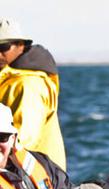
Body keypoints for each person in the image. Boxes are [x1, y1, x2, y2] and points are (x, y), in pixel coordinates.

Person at [0, 17, 66, 170]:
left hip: (30, 181)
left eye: (4, 46)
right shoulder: (9, 80)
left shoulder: (28, 85)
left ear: (21, 45)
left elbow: (21, 143)